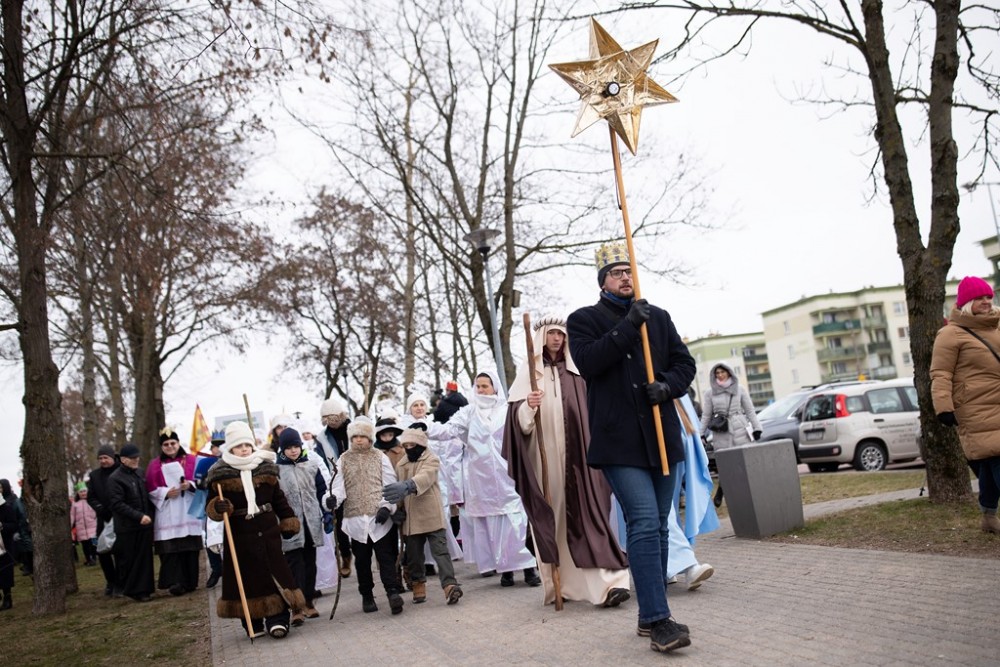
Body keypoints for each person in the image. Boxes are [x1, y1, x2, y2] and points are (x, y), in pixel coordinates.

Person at [567, 240, 696, 654]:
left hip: (661, 437)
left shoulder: (658, 317)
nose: (625, 277)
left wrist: (667, 387)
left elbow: (685, 364)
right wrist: (627, 326)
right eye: (617, 273)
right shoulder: (583, 320)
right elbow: (589, 362)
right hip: (619, 441)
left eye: (629, 271)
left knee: (659, 526)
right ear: (603, 280)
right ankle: (659, 620)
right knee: (642, 521)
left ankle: (651, 613)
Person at [504, 314, 631, 608]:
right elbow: (517, 427)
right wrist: (527, 408)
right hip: (545, 464)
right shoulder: (528, 377)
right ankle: (563, 585)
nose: (557, 339)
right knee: (555, 521)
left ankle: (609, 585)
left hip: (581, 462)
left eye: (562, 334)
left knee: (589, 517)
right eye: (552, 333)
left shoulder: (577, 375)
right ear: (541, 337)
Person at [427, 370, 540, 587]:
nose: (480, 390)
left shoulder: (507, 410)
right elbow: (448, 430)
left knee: (516, 523)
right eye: (477, 386)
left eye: (485, 386)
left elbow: (525, 429)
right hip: (482, 479)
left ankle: (529, 569)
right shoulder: (469, 412)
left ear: (494, 387)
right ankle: (506, 571)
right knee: (493, 527)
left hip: (507, 475)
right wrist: (426, 428)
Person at [205, 421, 306, 639]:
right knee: (246, 578)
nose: (244, 450)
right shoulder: (220, 474)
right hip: (239, 534)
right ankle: (252, 621)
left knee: (276, 573)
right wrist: (218, 507)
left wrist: (288, 519)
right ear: (230, 448)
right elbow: (211, 507)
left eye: (247, 445)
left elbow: (279, 499)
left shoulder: (265, 468)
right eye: (238, 446)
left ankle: (278, 619)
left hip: (267, 530)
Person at [931, 275, 1000, 535]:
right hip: (975, 408)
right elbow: (941, 373)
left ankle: (988, 515)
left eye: (988, 297)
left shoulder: (997, 325)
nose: (986, 302)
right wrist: (943, 407)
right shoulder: (951, 334)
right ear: (967, 303)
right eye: (979, 298)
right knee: (996, 457)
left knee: (988, 464)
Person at [325, 416, 406, 615]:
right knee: (362, 560)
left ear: (370, 438)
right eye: (355, 437)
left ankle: (392, 592)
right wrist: (331, 499)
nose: (359, 440)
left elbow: (389, 483)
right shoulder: (343, 459)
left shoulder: (380, 457)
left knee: (386, 557)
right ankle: (367, 595)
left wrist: (387, 507)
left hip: (378, 517)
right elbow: (337, 487)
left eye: (362, 436)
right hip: (355, 519)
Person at [383, 424, 464, 605]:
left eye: (412, 445)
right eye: (406, 446)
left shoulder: (431, 459)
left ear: (420, 444)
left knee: (441, 552)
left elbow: (426, 476)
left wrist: (409, 485)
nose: (409, 449)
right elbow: (397, 490)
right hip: (411, 517)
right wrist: (396, 509)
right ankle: (418, 584)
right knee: (414, 556)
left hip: (431, 513)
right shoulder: (402, 464)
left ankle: (450, 585)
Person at [276, 427, 327, 623]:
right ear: (282, 449)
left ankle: (309, 602)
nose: (293, 451)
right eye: (288, 448)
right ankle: (296, 607)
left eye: (296, 446)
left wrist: (326, 511)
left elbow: (321, 490)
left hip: (311, 522)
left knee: (310, 564)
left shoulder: (311, 466)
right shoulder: (277, 471)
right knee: (293, 566)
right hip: (290, 525)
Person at [145, 428, 203, 595]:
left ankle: (190, 582)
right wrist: (165, 493)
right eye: (166, 444)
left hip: (187, 509)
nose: (170, 446)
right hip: (168, 511)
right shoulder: (154, 465)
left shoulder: (192, 460)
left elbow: (202, 481)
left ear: (178, 443)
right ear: (161, 446)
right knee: (171, 550)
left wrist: (190, 485)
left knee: (189, 548)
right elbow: (149, 488)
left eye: (173, 443)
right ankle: (175, 583)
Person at [700, 363, 762, 507]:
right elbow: (706, 415)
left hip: (740, 428)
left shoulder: (739, 389)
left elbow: (750, 410)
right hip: (721, 430)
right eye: (717, 373)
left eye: (722, 372)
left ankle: (745, 494)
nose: (720, 375)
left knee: (743, 463)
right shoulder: (710, 393)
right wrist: (701, 434)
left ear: (729, 372)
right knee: (725, 465)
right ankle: (722, 491)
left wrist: (757, 427)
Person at [108, 443, 155, 602]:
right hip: (127, 527)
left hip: (144, 525)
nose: (136, 460)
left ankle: (145, 589)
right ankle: (135, 590)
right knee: (131, 560)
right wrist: (138, 516)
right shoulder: (115, 478)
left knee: (145, 559)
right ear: (123, 460)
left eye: (137, 457)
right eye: (132, 458)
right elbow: (117, 504)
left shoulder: (139, 473)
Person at [314, 396, 353, 578]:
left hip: (357, 477)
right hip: (336, 480)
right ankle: (345, 555)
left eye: (335, 417)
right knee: (340, 521)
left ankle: (362, 552)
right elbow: (321, 461)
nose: (333, 422)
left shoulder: (354, 429)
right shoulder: (322, 438)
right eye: (328, 419)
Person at [430, 382, 467, 539]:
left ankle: (454, 532)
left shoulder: (444, 404)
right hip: (460, 443)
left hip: (446, 442)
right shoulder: (464, 402)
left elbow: (437, 417)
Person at [87, 445, 120, 595]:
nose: (103, 461)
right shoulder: (94, 476)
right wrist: (100, 509)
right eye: (100, 458)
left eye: (105, 457)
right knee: (102, 550)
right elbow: (91, 497)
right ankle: (110, 581)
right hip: (103, 518)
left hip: (120, 516)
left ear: (112, 457)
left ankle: (121, 581)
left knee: (119, 550)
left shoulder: (121, 471)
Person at [193, 432, 224, 589]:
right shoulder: (205, 462)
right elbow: (199, 484)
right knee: (210, 538)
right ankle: (216, 568)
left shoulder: (231, 460)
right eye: (216, 446)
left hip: (230, 503)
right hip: (210, 504)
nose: (218, 449)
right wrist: (207, 479)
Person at [70, 483, 99, 566]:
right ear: (78, 493)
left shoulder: (92, 501)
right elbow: (72, 516)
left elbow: (97, 512)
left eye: (84, 491)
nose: (83, 493)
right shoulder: (75, 504)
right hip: (81, 529)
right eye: (81, 492)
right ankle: (88, 559)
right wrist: (70, 526)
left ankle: (94, 558)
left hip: (93, 527)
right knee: (85, 545)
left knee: (93, 544)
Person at [0, 489, 17, 610]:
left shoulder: (6, 508)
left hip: (4, 547)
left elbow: (14, 525)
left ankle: (7, 598)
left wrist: (2, 525)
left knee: (5, 573)